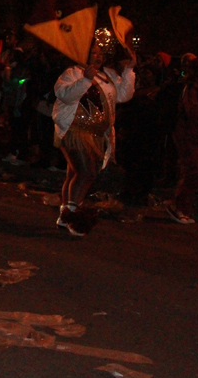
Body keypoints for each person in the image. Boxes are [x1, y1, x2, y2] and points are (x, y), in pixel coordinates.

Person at [52, 38, 136, 236]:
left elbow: (123, 96)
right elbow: (64, 94)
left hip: (96, 134)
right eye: (93, 53)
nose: (98, 57)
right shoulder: (73, 72)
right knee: (87, 172)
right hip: (74, 131)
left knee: (74, 173)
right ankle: (73, 216)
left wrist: (129, 70)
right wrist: (85, 80)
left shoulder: (108, 75)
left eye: (100, 53)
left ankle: (65, 216)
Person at [167, 57, 198, 224]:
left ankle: (185, 207)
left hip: (197, 136)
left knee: (196, 172)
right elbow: (191, 112)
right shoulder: (192, 88)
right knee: (194, 170)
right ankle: (178, 206)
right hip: (187, 135)